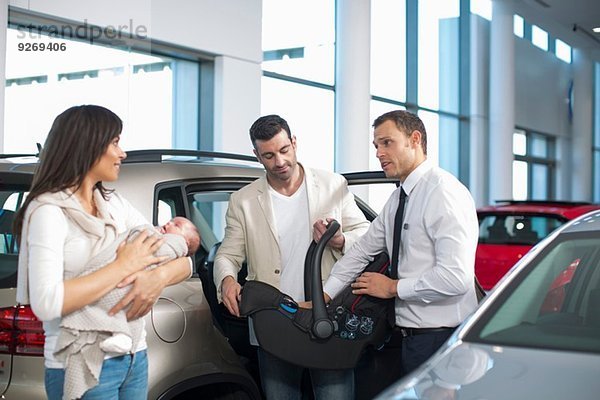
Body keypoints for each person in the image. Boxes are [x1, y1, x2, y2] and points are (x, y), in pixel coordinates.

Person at [14, 105, 193, 400]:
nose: (122, 153)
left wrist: (157, 278)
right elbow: (46, 303)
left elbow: (182, 260)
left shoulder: (114, 203)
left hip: (135, 356)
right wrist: (123, 267)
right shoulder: (48, 211)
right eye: (115, 142)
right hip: (81, 365)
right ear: (88, 145)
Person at [213, 114, 370, 400]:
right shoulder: (243, 201)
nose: (279, 162)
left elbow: (367, 235)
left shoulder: (333, 184)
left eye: (284, 150)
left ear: (294, 142)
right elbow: (228, 252)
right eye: (269, 155)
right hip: (274, 322)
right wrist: (226, 279)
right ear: (257, 155)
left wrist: (340, 239)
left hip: (326, 314)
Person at [323, 110, 479, 394]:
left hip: (441, 338)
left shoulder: (443, 193)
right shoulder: (399, 197)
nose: (379, 153)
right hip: (409, 339)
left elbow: (457, 278)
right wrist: (325, 295)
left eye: (387, 143)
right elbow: (362, 250)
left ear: (414, 139)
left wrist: (394, 287)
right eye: (376, 146)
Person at [54, 216, 200, 397]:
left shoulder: (125, 209)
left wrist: (159, 275)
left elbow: (186, 263)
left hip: (135, 354)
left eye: (176, 225)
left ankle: (118, 329)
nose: (168, 224)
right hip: (93, 357)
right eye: (171, 221)